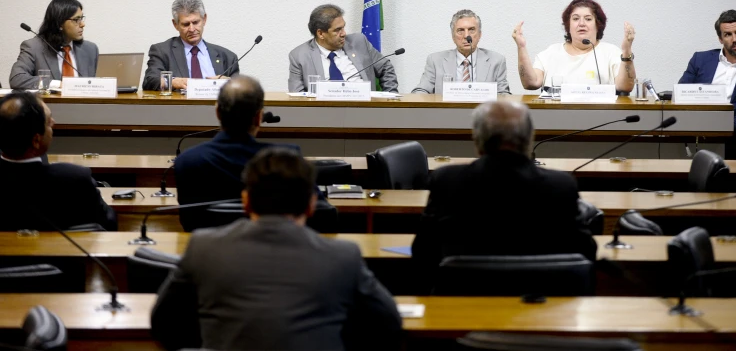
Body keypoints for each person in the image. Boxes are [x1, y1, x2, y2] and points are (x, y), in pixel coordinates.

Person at [152, 147, 402, 351]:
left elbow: (163, 323)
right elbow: (389, 325)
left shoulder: (203, 248)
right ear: (312, 205)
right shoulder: (343, 256)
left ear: (246, 201)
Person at [411, 100, 596, 289]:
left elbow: (423, 252)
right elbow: (586, 251)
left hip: (465, 298)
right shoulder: (561, 185)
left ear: (477, 139)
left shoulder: (448, 180)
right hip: (542, 300)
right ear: (530, 138)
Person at [174, 75, 325, 231]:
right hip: (277, 248)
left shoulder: (187, 160)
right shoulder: (286, 159)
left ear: (217, 112)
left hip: (209, 251)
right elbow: (322, 212)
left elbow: (189, 221)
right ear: (259, 117)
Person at [0, 92, 117, 231]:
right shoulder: (74, 179)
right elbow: (109, 222)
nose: (54, 123)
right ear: (36, 140)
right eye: (49, 121)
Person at [678, 10, 736, 159]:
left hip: (732, 124)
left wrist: (722, 106)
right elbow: (681, 92)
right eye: (728, 34)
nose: (735, 39)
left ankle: (708, 133)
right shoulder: (700, 59)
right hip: (700, 118)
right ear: (720, 39)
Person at [512, 0, 637, 93]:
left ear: (598, 25)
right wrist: (521, 47)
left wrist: (626, 51)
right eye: (575, 19)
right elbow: (530, 83)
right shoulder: (551, 53)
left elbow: (625, 87)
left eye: (588, 19)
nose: (581, 23)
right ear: (568, 25)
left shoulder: (610, 52)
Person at [288, 4, 399, 92]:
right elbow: (297, 96)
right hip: (324, 115)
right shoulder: (299, 56)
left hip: (364, 111)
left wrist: (390, 99)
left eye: (343, 27)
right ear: (321, 33)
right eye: (337, 30)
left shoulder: (359, 42)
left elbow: (385, 67)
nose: (344, 33)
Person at [143, 0, 239, 91]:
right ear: (175, 25)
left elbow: (241, 91)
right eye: (186, 24)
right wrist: (173, 82)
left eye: (196, 22)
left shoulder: (227, 57)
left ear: (204, 19)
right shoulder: (162, 51)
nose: (192, 29)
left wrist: (230, 83)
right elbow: (149, 81)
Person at [412, 9, 511, 94]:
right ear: (453, 36)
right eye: (460, 30)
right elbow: (421, 91)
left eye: (471, 30)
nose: (466, 36)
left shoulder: (496, 61)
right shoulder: (435, 60)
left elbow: (504, 94)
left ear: (480, 35)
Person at [9, 0, 98, 89]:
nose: (83, 24)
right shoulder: (34, 47)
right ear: (59, 23)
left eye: (82, 18)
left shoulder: (90, 49)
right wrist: (57, 85)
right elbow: (17, 79)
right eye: (76, 20)